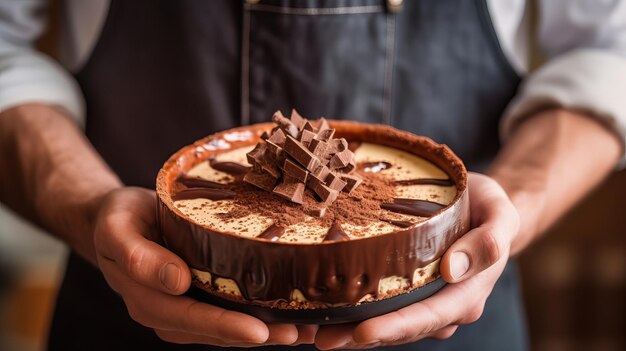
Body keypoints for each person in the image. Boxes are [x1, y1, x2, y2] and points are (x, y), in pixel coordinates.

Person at [0, 0, 625, 350]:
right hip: (131, 308)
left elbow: (609, 50)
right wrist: (87, 206)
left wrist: (507, 211)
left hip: (456, 315)